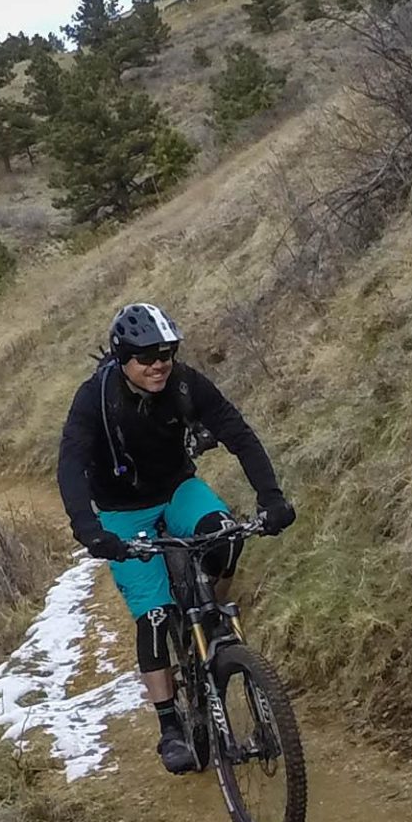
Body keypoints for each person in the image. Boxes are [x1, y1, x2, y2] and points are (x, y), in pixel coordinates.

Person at [58, 302, 296, 772]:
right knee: (153, 615)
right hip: (122, 512)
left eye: (167, 352)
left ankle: (209, 618)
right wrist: (90, 529)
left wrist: (270, 498)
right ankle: (169, 726)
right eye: (147, 356)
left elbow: (237, 433)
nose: (159, 363)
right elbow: (70, 464)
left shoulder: (185, 384)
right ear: (123, 357)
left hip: (178, 489)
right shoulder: (95, 399)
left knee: (226, 536)